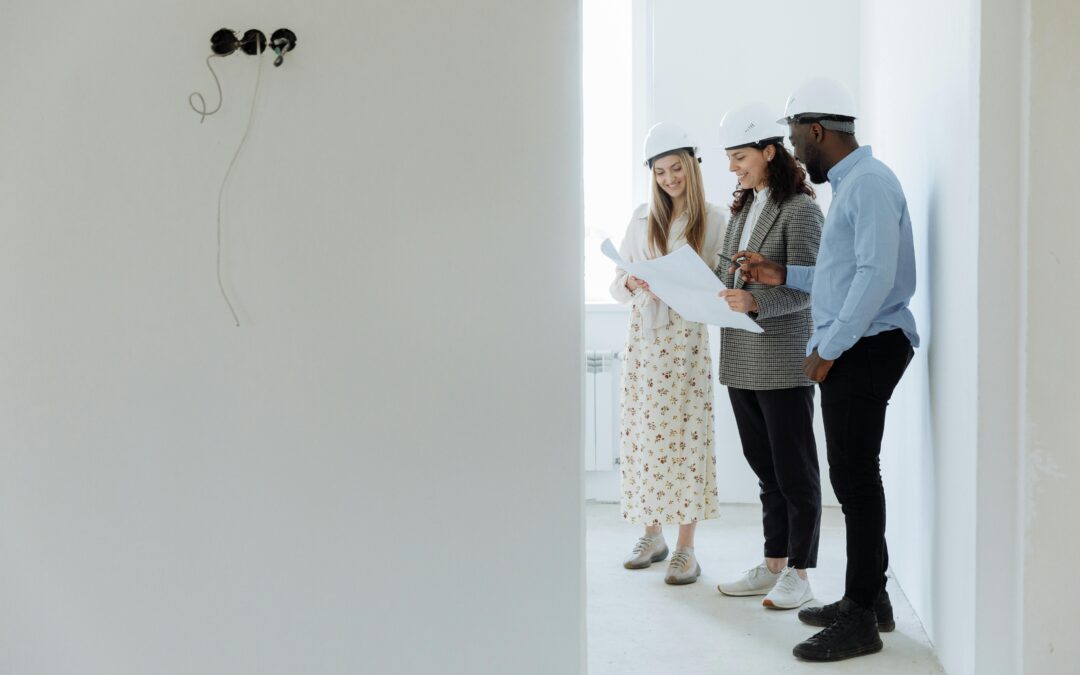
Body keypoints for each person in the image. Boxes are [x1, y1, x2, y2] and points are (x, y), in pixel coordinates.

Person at [734, 78, 919, 662]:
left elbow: (875, 278)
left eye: (794, 139)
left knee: (856, 484)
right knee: (857, 480)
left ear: (817, 131)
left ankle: (861, 617)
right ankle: (872, 601)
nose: (793, 151)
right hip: (860, 342)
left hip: (867, 345)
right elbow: (844, 276)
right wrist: (781, 274)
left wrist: (830, 346)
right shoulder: (854, 183)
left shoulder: (867, 184)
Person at [711, 102, 824, 610]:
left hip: (782, 360)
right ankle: (774, 561)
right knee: (765, 470)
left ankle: (801, 572)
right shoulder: (743, 207)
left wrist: (756, 300)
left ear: (769, 151)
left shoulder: (800, 210)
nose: (733, 168)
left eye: (739, 157)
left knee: (795, 472)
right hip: (741, 359)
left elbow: (810, 287)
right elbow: (732, 277)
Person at [610, 122, 726, 585]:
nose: (669, 179)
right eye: (660, 172)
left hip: (686, 346)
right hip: (644, 345)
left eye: (677, 168)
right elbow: (616, 283)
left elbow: (721, 285)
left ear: (693, 168)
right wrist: (632, 281)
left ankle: (685, 547)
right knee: (644, 439)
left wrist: (688, 284)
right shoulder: (642, 218)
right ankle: (651, 534)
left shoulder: (714, 221)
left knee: (686, 439)